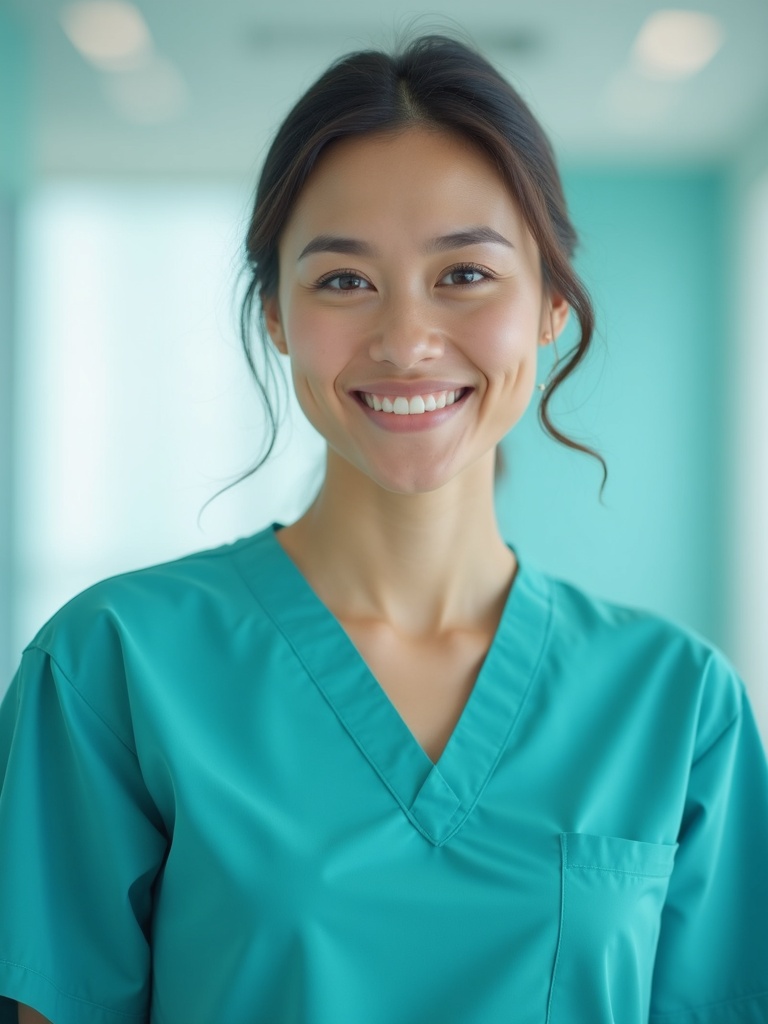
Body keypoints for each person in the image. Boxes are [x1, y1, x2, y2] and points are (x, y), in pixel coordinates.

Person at [1, 32, 767, 1024]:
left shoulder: (679, 704)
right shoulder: (109, 668)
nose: (406, 342)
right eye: (344, 281)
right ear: (275, 314)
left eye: (465, 274)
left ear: (550, 304)